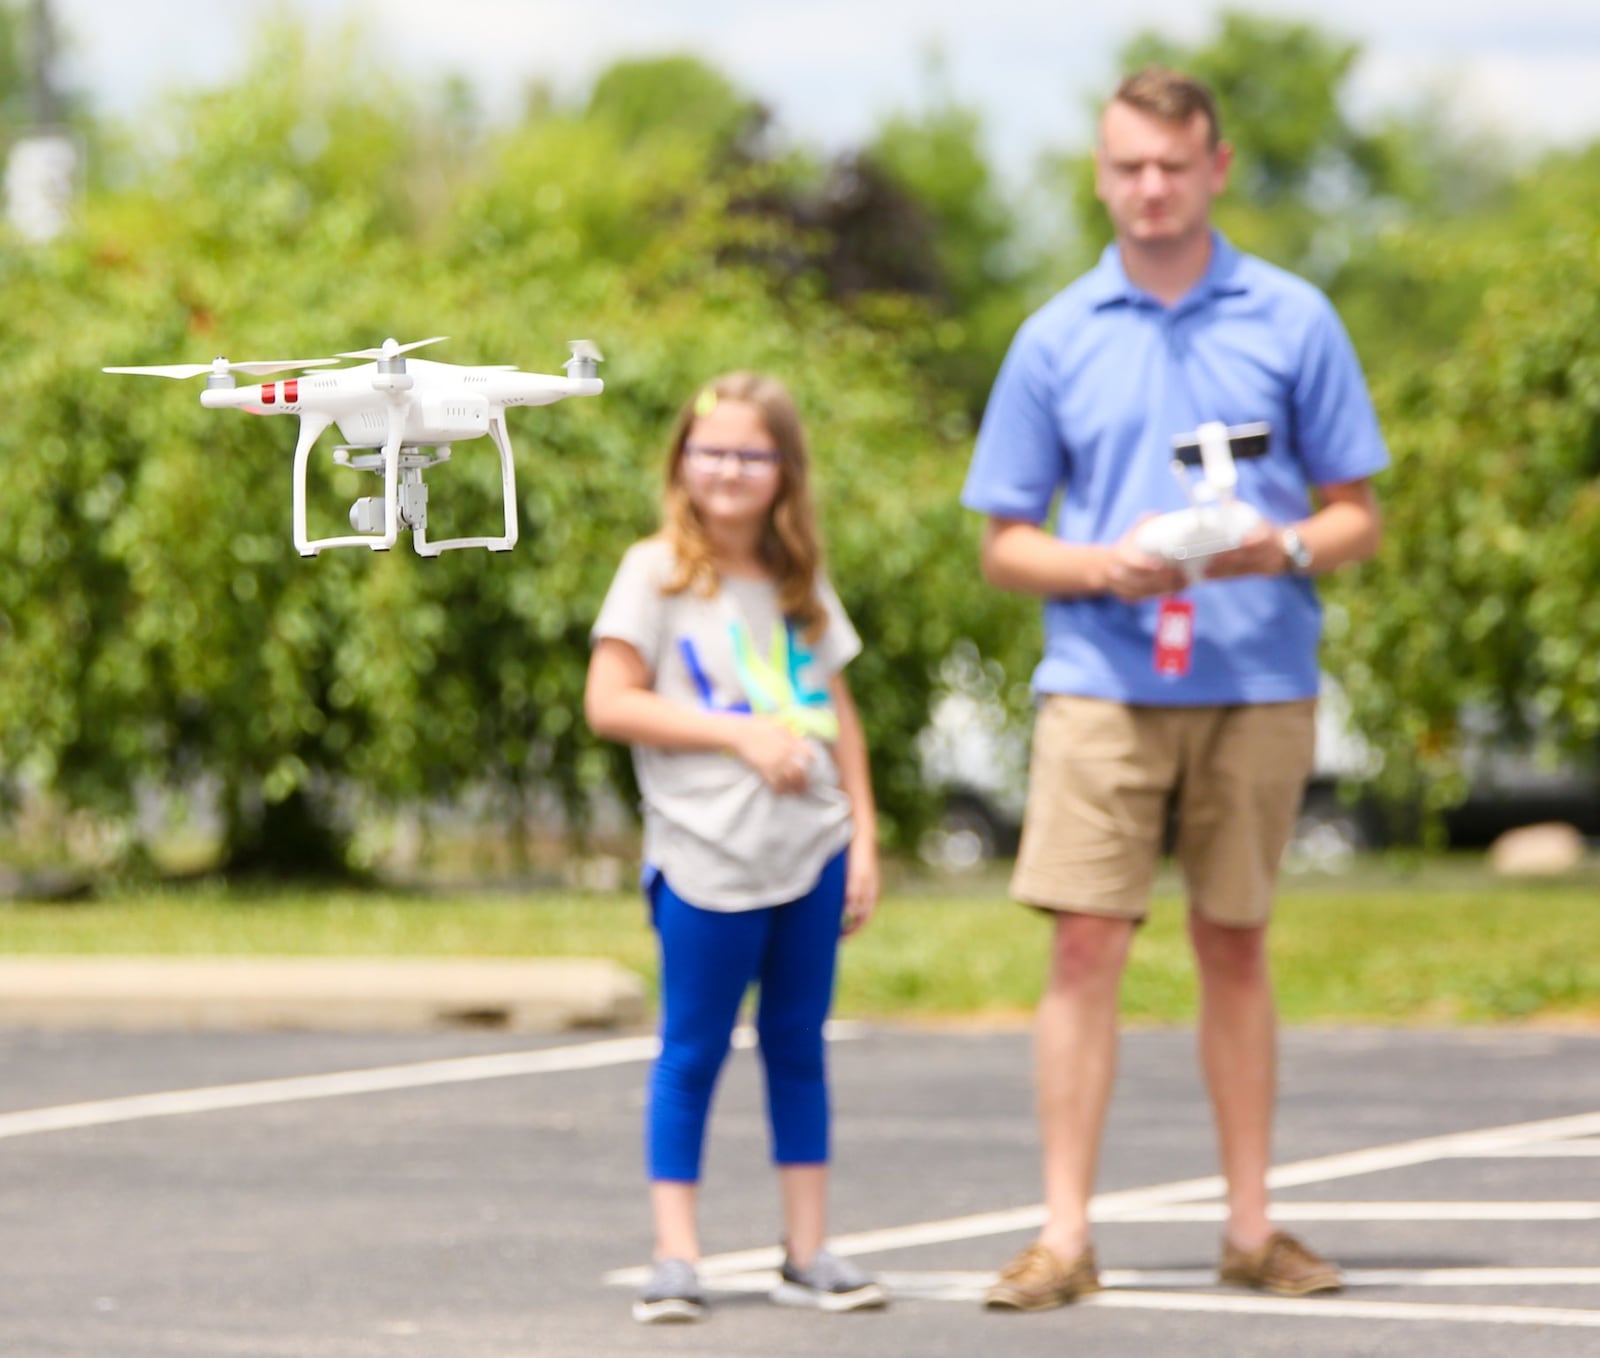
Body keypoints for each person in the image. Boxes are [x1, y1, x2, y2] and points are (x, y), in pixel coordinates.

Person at [962, 68, 1387, 1311]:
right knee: (1085, 945)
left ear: (1217, 165)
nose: (1148, 188)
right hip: (1099, 677)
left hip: (1256, 676)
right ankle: (1062, 1235)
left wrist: (1281, 545)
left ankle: (1251, 1227)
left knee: (1234, 941)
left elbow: (1355, 514)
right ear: (1099, 174)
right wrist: (1105, 565)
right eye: (1126, 166)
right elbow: (1001, 540)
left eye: (1170, 165)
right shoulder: (1054, 334)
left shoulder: (1295, 317)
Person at [585, 371, 887, 1324]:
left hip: (810, 852)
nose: (728, 468)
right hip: (706, 859)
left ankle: (808, 1251)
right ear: (682, 461)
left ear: (784, 471)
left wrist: (865, 838)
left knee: (798, 1047)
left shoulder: (798, 583)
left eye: (751, 453)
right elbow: (610, 701)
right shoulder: (655, 573)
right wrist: (740, 736)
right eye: (710, 449)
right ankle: (676, 1255)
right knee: (693, 1050)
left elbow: (839, 713)